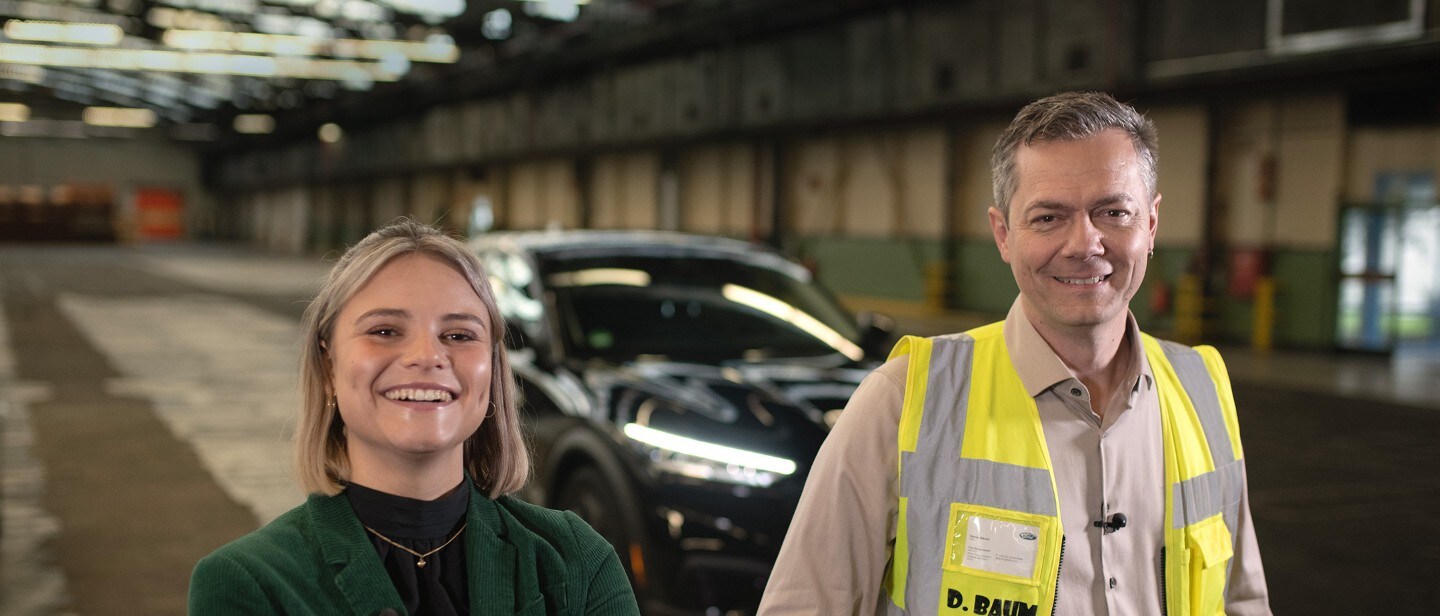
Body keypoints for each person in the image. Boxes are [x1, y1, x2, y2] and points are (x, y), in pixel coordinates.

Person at [757, 92, 1271, 615]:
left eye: (1114, 211)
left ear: (1152, 225)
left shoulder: (1203, 390)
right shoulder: (903, 401)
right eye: (1048, 218)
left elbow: (1241, 600)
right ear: (1004, 235)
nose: (1084, 243)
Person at [189, 219, 640, 616]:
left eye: (459, 334)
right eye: (385, 331)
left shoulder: (576, 560)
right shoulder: (248, 582)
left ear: (492, 369)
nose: (427, 356)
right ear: (328, 366)